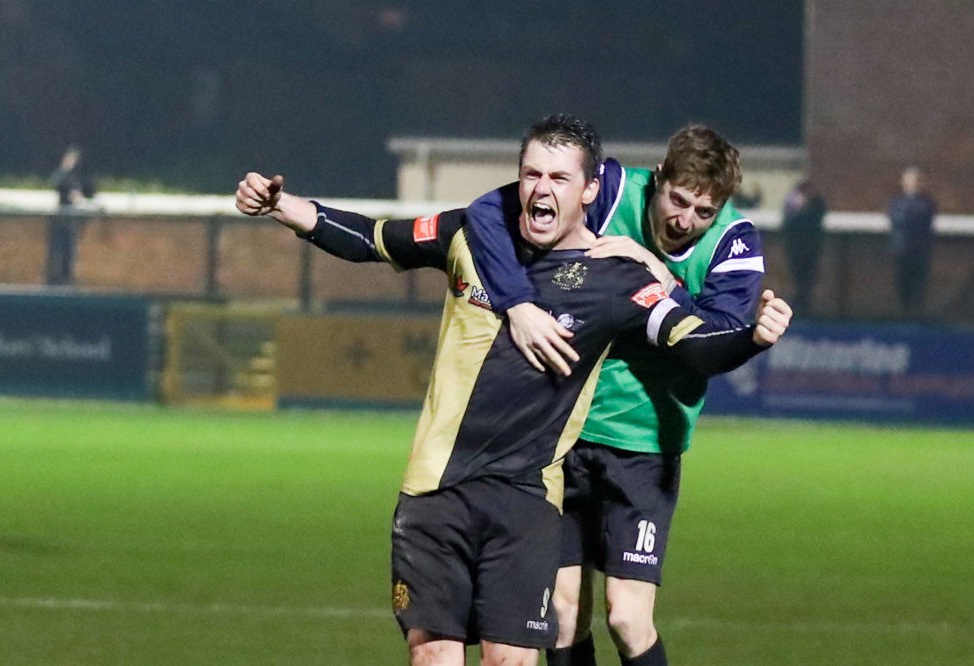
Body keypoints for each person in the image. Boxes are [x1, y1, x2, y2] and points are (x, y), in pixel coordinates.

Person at [235, 114, 792, 666]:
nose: (541, 190)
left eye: (559, 179)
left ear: (589, 191)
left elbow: (695, 343)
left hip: (529, 499)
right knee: (440, 656)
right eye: (532, 175)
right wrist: (284, 206)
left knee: (534, 651)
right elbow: (375, 239)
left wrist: (753, 339)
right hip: (437, 492)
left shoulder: (618, 277)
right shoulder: (474, 233)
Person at [465, 124, 766, 666]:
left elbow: (715, 342)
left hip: (645, 448)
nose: (686, 220)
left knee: (627, 617)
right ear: (659, 181)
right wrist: (515, 302)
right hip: (564, 435)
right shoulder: (610, 190)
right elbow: (489, 210)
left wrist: (657, 275)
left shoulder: (734, 242)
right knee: (561, 613)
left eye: (704, 210)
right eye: (679, 200)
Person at [887, 166, 936, 318]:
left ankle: (917, 314)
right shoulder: (896, 202)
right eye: (909, 180)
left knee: (918, 284)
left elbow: (922, 219)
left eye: (915, 180)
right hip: (901, 249)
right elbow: (896, 219)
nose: (912, 183)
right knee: (903, 284)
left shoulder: (926, 203)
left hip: (920, 250)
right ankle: (903, 313)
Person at [46, 145, 96, 286]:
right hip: (60, 219)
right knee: (57, 250)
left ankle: (66, 278)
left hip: (71, 221)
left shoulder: (78, 178)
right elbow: (56, 184)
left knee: (69, 251)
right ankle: (54, 279)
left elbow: (89, 193)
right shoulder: (62, 176)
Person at [780, 179, 827, 315]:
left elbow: (819, 215)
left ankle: (804, 304)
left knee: (808, 278)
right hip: (797, 249)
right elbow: (788, 223)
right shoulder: (793, 207)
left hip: (811, 248)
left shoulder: (816, 204)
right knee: (799, 277)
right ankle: (800, 304)